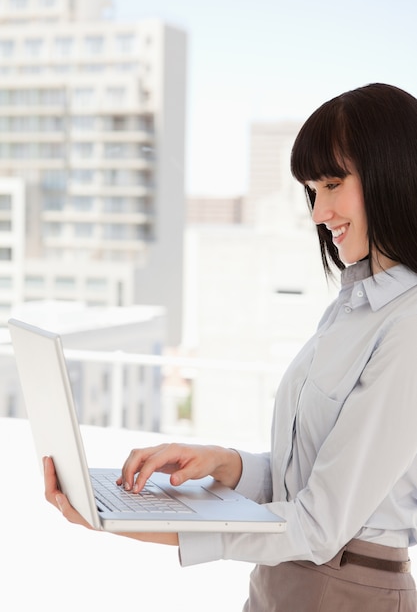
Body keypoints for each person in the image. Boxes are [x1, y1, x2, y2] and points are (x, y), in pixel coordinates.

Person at [44, 82, 417, 611]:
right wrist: (222, 464)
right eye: (313, 189)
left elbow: (318, 525)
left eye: (332, 183)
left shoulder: (409, 326)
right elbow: (307, 479)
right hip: (285, 582)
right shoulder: (351, 306)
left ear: (392, 173)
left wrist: (141, 524)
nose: (318, 211)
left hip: (347, 591)